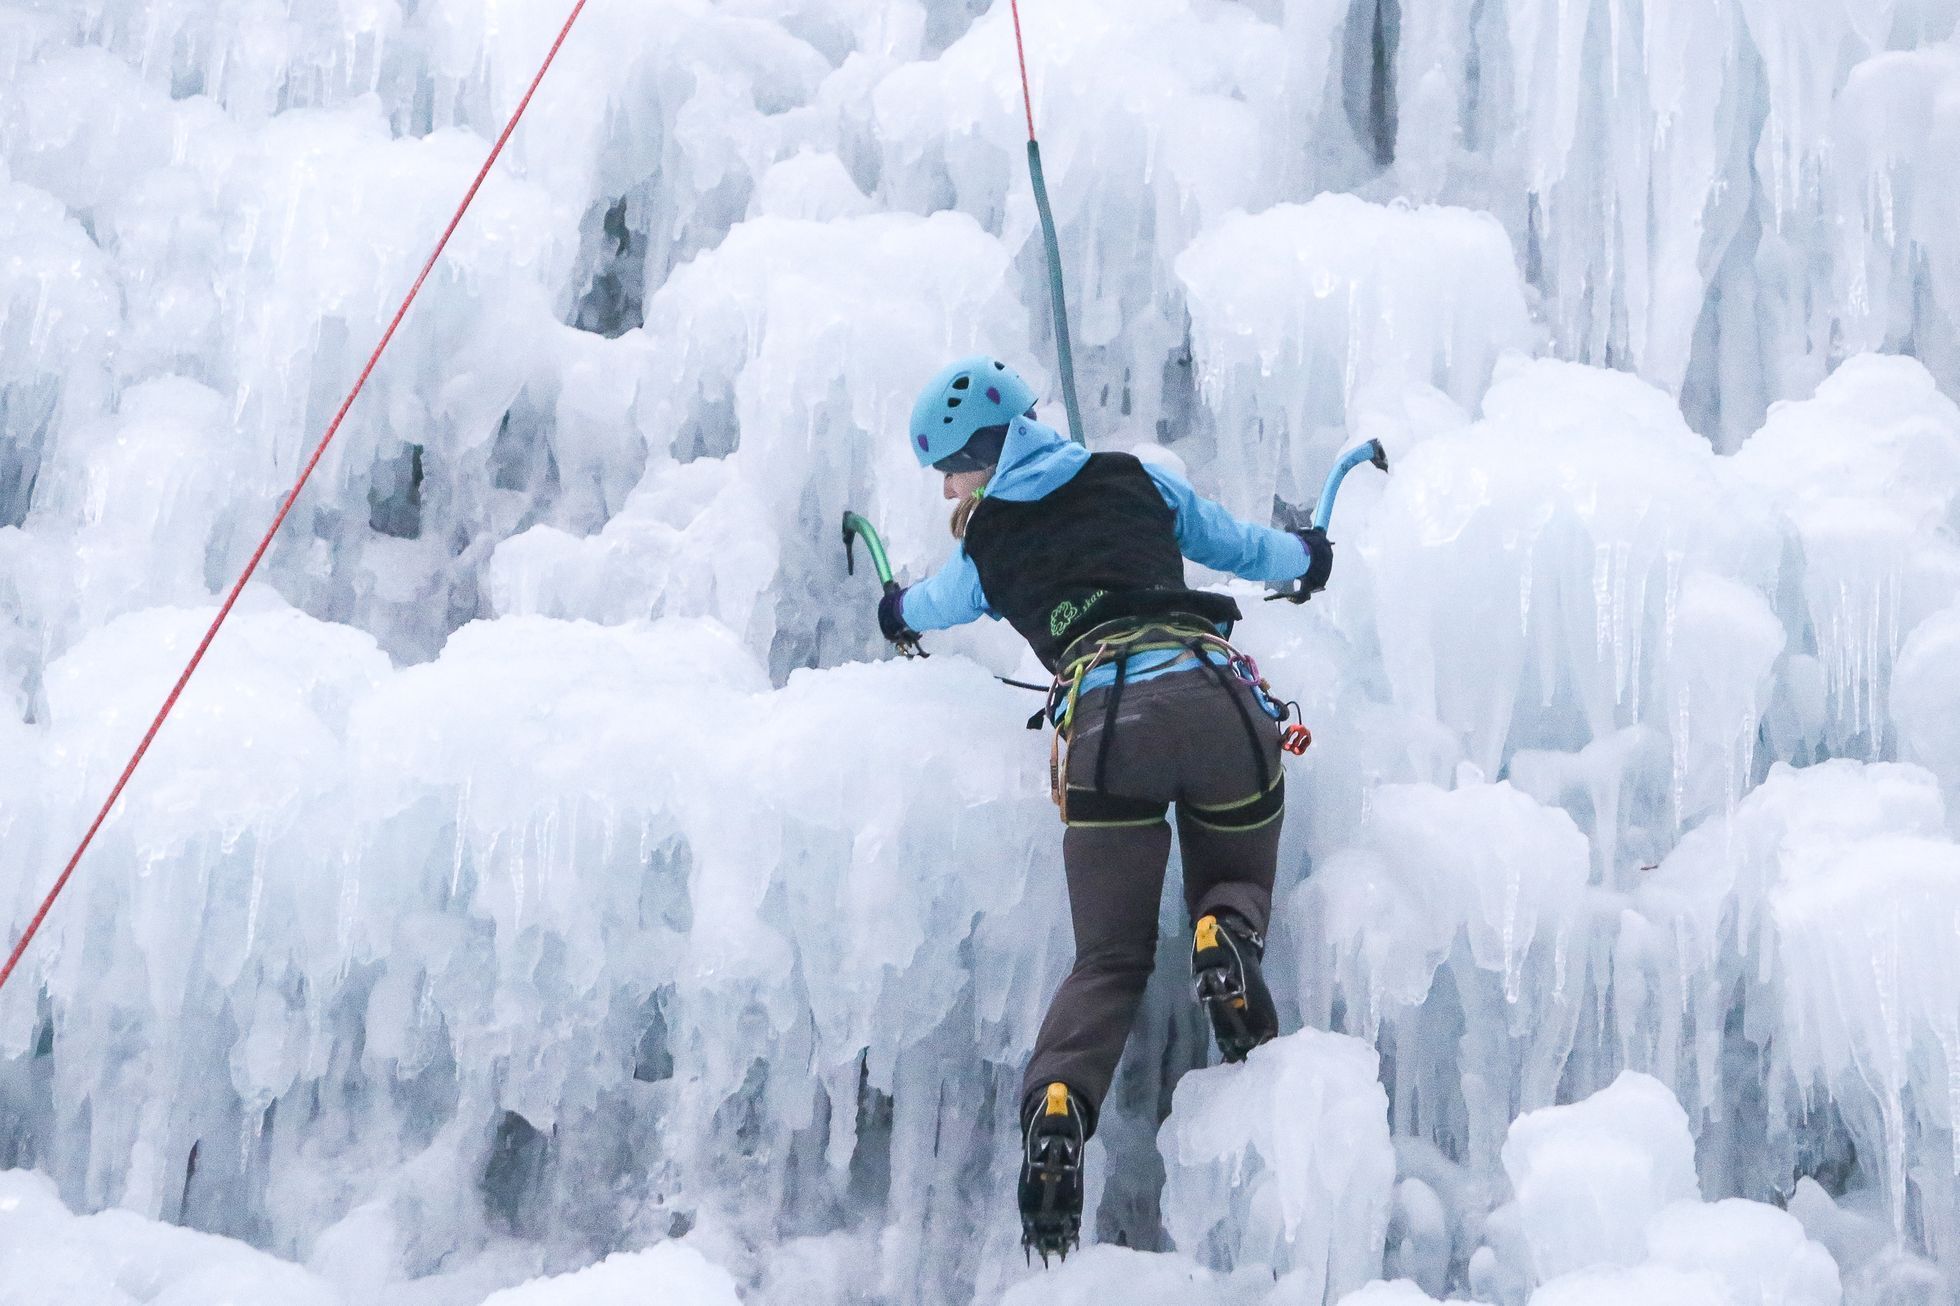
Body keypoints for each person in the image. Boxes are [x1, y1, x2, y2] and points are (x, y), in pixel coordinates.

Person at [877, 356, 1333, 1262]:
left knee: (1111, 957)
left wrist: (895, 613)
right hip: (1215, 695)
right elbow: (1244, 547)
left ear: (982, 455)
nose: (944, 488)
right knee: (1236, 874)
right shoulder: (1140, 480)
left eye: (949, 469)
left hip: (1105, 728)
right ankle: (1224, 934)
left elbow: (928, 605)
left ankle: (1060, 1102)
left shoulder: (985, 545)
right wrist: (1310, 558)